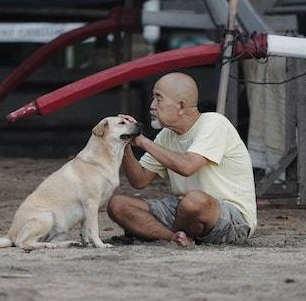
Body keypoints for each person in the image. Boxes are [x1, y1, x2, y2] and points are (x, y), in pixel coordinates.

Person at [107, 72, 257, 246]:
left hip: (231, 217)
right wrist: (124, 142)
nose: (152, 106)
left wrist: (142, 141)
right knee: (117, 204)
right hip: (184, 212)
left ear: (180, 106)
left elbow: (187, 166)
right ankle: (174, 237)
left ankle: (166, 233)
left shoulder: (214, 123)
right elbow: (139, 180)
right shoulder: (166, 135)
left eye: (158, 99)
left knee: (194, 202)